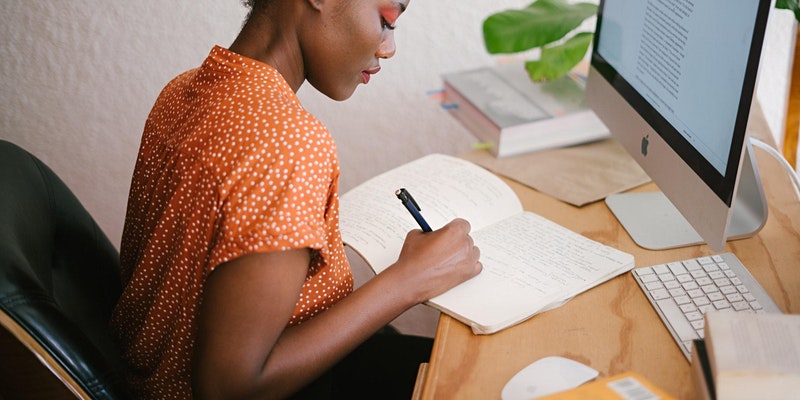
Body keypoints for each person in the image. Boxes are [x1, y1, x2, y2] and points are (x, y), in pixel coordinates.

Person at [110, 0, 483, 399]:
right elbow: (228, 387)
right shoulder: (288, 144)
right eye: (387, 20)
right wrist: (408, 281)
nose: (388, 48)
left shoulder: (185, 89)